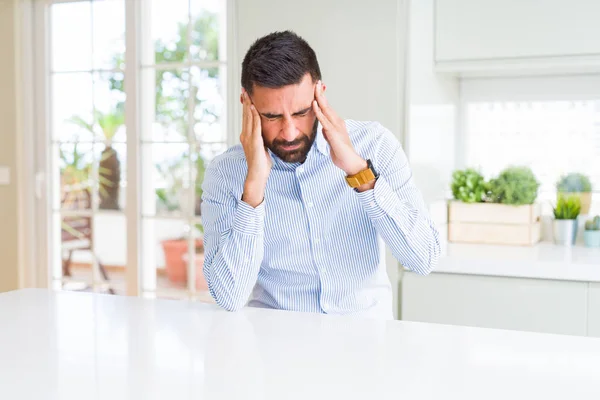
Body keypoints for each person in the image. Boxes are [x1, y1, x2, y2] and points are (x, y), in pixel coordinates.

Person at [201, 30, 440, 319]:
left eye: (301, 112)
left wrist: (360, 173)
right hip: (276, 347)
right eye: (272, 117)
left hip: (367, 346)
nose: (289, 132)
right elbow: (229, 296)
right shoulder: (225, 174)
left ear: (320, 93)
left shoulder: (375, 145)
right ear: (247, 104)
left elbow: (423, 258)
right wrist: (253, 189)